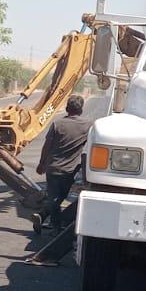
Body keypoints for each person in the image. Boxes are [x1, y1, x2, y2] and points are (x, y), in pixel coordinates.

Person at [35, 94, 89, 233]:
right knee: (59, 197)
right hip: (70, 170)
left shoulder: (57, 124)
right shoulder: (88, 126)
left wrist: (41, 164)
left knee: (54, 197)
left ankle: (44, 217)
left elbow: (47, 146)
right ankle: (54, 226)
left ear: (66, 108)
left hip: (52, 168)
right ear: (81, 110)